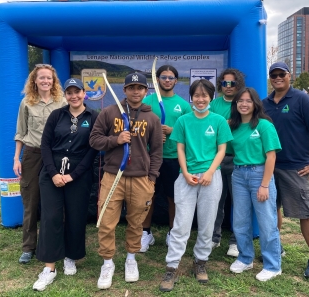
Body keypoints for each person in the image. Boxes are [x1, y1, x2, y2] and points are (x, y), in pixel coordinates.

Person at [89, 72, 163, 290]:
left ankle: (131, 259)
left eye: (140, 87)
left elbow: (157, 151)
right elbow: (94, 139)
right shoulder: (110, 112)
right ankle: (107, 263)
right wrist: (115, 139)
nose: (136, 91)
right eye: (132, 87)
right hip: (113, 176)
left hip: (141, 178)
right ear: (125, 90)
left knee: (136, 222)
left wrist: (152, 178)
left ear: (146, 91)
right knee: (106, 221)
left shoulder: (152, 118)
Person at [159, 79, 233, 292]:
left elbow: (221, 150)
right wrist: (185, 171)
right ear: (192, 97)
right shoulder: (183, 120)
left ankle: (200, 262)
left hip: (212, 176)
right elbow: (180, 148)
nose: (200, 100)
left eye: (205, 95)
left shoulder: (219, 120)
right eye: (197, 96)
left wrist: (209, 172)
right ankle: (171, 266)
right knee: (181, 224)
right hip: (187, 176)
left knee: (207, 222)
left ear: (211, 97)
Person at [32, 78, 99, 291]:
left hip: (79, 173)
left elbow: (93, 150)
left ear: (83, 93)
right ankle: (49, 267)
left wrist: (73, 175)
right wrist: (53, 173)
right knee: (51, 217)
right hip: (52, 172)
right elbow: (45, 145)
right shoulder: (57, 115)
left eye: (77, 92)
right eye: (69, 92)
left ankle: (71, 255)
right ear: (65, 95)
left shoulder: (94, 116)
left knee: (76, 216)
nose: (74, 96)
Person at [262, 62, 309, 279]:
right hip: (269, 166)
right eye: (273, 75)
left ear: (290, 76)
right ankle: (276, 248)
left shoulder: (302, 99)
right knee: (272, 211)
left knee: (305, 214)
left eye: (282, 74)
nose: (277, 78)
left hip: (295, 167)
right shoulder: (265, 103)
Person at [13, 64, 67, 264]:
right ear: (34, 81)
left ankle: (55, 243)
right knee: (31, 201)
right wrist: (16, 158)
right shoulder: (27, 103)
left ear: (54, 82)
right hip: (33, 155)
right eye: (42, 78)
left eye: (49, 78)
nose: (45, 81)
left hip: (56, 156)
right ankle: (28, 246)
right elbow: (20, 132)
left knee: (56, 203)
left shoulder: (61, 102)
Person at [228, 87, 282, 282]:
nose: (244, 104)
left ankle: (273, 265)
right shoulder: (232, 126)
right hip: (238, 174)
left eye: (248, 101)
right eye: (240, 101)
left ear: (255, 104)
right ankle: (245, 258)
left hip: (260, 174)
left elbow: (271, 156)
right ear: (235, 104)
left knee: (267, 222)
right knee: (240, 220)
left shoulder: (264, 125)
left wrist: (265, 185)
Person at [140, 65, 192, 252]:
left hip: (173, 158)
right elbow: (138, 127)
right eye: (164, 77)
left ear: (176, 81)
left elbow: (191, 133)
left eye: (171, 78)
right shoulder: (147, 101)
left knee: (174, 198)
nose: (167, 80)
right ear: (158, 80)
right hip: (150, 157)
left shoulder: (184, 105)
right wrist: (152, 134)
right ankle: (145, 233)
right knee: (147, 197)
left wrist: (172, 131)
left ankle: (173, 233)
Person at [210, 68, 246, 257]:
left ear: (238, 84)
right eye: (225, 83)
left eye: (232, 83)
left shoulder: (243, 103)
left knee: (238, 203)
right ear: (220, 85)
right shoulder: (214, 104)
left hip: (238, 159)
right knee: (216, 200)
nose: (229, 86)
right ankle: (214, 238)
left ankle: (235, 241)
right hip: (217, 159)